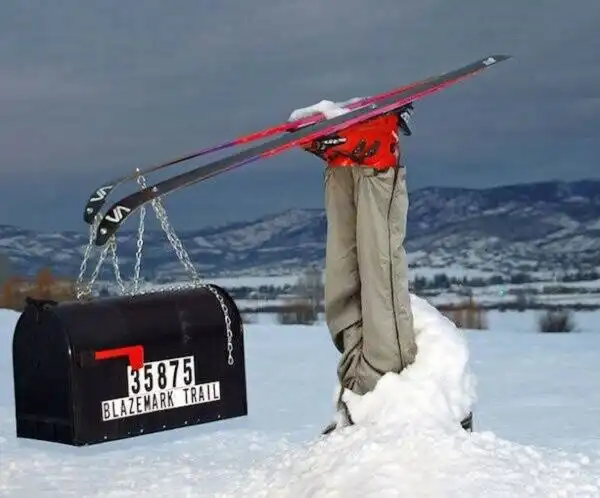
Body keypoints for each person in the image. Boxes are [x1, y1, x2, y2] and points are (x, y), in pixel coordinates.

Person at [300, 104, 419, 433]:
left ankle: (373, 160)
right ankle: (348, 166)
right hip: (372, 403)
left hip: (381, 394)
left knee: (377, 278)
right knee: (347, 277)